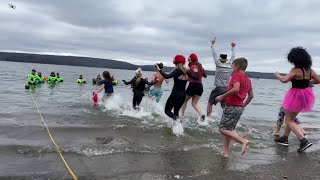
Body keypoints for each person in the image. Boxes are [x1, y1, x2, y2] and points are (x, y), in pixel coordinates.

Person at [274, 47, 320, 152]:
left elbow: (284, 80)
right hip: (306, 95)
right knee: (291, 118)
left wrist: (277, 75)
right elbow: (318, 80)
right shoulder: (310, 70)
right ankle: (285, 138)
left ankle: (303, 141)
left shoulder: (295, 70)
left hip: (295, 95)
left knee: (289, 120)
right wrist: (308, 82)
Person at [215, 58, 253, 157]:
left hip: (232, 106)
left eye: (232, 65)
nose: (231, 67)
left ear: (237, 66)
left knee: (222, 129)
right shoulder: (248, 79)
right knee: (229, 130)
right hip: (239, 107)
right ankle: (225, 152)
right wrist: (243, 105)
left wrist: (222, 96)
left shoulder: (236, 75)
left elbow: (236, 89)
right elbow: (251, 96)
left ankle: (243, 141)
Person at [156, 55, 199, 121]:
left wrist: (159, 70)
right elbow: (196, 77)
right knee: (176, 112)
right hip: (183, 95)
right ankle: (177, 127)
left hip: (175, 94)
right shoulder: (187, 71)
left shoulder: (178, 70)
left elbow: (167, 76)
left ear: (175, 62)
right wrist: (194, 71)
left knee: (167, 111)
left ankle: (178, 121)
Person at [207, 37, 236, 117]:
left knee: (210, 102)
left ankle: (207, 118)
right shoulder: (230, 66)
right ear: (226, 60)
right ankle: (227, 117)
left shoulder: (218, 64)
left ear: (220, 60)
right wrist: (233, 48)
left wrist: (212, 45)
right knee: (224, 104)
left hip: (219, 87)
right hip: (227, 88)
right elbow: (233, 57)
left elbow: (214, 54)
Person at [181, 53, 207, 121]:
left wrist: (187, 71)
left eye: (189, 60)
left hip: (193, 85)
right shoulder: (200, 66)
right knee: (194, 103)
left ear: (191, 60)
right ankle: (201, 114)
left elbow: (196, 77)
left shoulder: (193, 66)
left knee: (184, 101)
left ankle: (181, 116)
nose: (188, 61)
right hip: (200, 87)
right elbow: (205, 75)